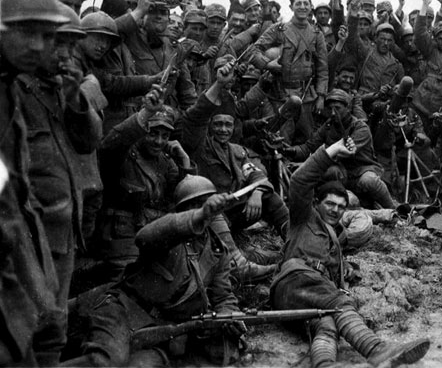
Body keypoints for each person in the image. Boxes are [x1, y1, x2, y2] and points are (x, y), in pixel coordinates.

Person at [271, 137, 430, 368]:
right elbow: (299, 180)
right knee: (341, 303)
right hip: (295, 281)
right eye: (330, 204)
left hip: (299, 297)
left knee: (326, 324)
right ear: (317, 203)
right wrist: (333, 150)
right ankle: (377, 351)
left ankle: (324, 364)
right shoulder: (303, 217)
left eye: (341, 207)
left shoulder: (336, 240)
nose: (335, 210)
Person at [65, 178, 245, 367]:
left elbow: (223, 296)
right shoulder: (167, 235)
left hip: (161, 331)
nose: (204, 210)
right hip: (123, 312)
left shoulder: (218, 251)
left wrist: (229, 316)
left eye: (207, 203)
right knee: (105, 361)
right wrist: (198, 216)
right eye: (194, 205)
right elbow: (144, 237)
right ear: (181, 210)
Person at [16, 2, 102, 360]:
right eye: (59, 45)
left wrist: (74, 99)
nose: (67, 56)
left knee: (53, 328)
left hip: (62, 232)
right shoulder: (13, 90)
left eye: (71, 46)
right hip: (23, 235)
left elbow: (88, 141)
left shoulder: (59, 89)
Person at [0, 0, 69, 365]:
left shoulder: (10, 86)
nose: (38, 47)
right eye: (27, 33)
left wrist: (40, 280)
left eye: (47, 36)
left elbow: (17, 196)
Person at [181, 64, 288, 281]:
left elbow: (256, 173)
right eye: (218, 124)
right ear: (210, 126)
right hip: (207, 216)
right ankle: (238, 265)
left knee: (270, 196)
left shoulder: (236, 150)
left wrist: (257, 192)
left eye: (228, 125)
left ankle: (295, 241)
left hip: (231, 215)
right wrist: (219, 84)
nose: (223, 129)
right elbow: (195, 117)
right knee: (212, 203)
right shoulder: (198, 145)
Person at [96, 86, 195, 281]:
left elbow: (183, 197)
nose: (159, 141)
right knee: (132, 285)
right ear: (142, 131)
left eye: (164, 136)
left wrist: (185, 162)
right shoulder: (123, 154)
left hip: (155, 235)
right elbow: (112, 143)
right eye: (152, 133)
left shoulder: (166, 161)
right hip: (123, 239)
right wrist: (146, 112)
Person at [283, 89, 395, 209]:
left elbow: (346, 152)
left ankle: (394, 210)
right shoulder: (328, 126)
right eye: (330, 108)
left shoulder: (360, 127)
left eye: (337, 108)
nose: (332, 113)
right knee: (332, 172)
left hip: (362, 170)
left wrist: (324, 151)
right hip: (341, 173)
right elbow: (308, 147)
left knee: (369, 181)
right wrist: (291, 151)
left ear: (348, 108)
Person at [248, 0, 329, 143]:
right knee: (281, 139)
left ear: (311, 7)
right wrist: (267, 64)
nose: (302, 7)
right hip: (280, 93)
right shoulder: (279, 29)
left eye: (306, 3)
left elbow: (323, 68)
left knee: (307, 139)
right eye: (298, 3)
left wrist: (321, 96)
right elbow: (253, 50)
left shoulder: (317, 34)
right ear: (291, 7)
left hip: (306, 95)